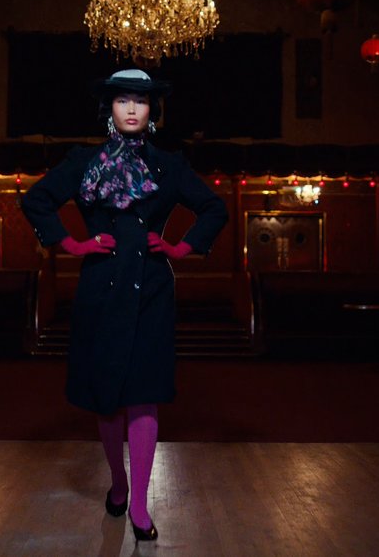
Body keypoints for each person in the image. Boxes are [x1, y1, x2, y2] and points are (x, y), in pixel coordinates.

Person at [21, 69, 228, 541]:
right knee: (107, 397)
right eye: (123, 101)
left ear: (153, 110)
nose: (132, 109)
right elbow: (37, 201)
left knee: (145, 392)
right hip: (99, 290)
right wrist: (72, 245)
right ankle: (117, 480)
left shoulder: (170, 165)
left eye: (141, 101)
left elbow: (214, 208)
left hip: (152, 291)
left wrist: (180, 247)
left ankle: (138, 504)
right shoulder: (83, 161)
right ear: (109, 109)